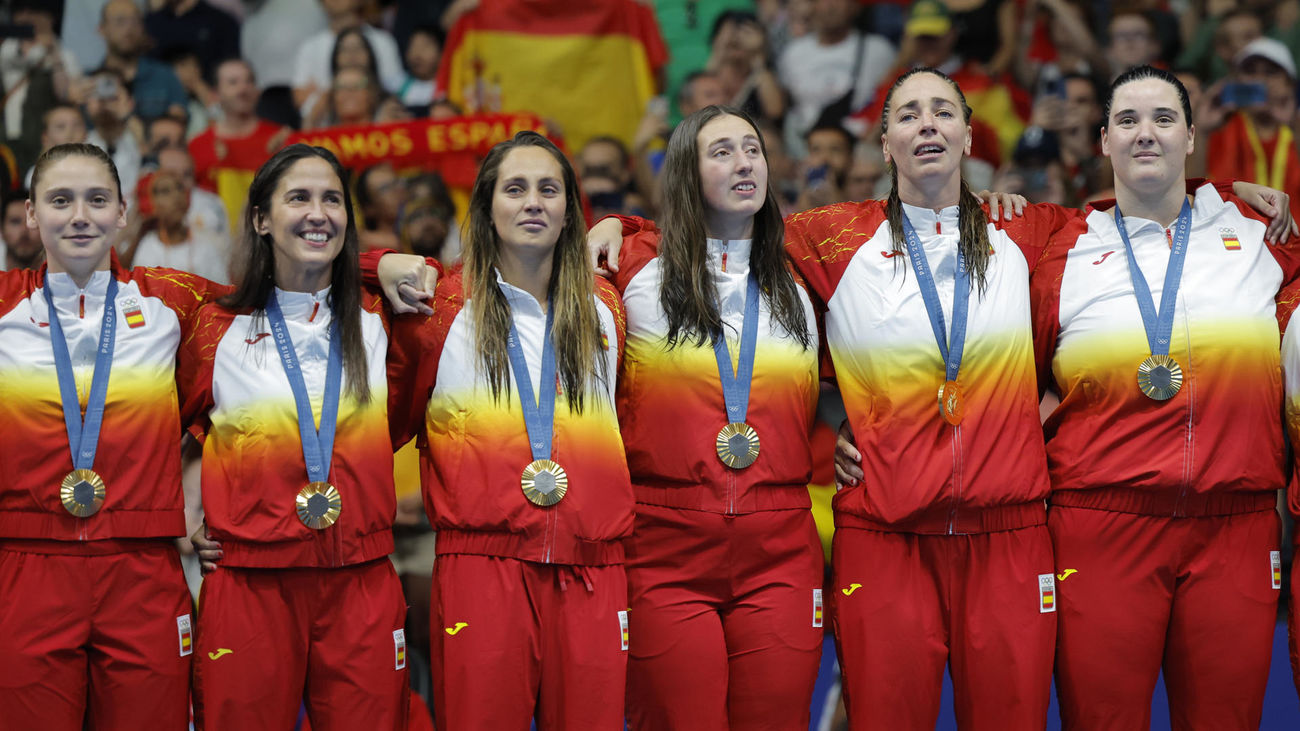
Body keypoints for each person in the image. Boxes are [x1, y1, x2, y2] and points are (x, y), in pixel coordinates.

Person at [782, 68, 1060, 729]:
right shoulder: (831, 237)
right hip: (885, 536)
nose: (927, 123)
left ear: (969, 135)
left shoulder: (1027, 231)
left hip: (1008, 536)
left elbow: (1143, 211)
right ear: (884, 145)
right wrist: (621, 229)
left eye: (943, 112)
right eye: (908, 114)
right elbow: (723, 237)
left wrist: (1221, 195)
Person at [1029, 64, 1300, 730]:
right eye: (1127, 120)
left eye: (1162, 119)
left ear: (1190, 137)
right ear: (1103, 142)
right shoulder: (1058, 252)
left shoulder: (1267, 238)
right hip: (1100, 524)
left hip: (1235, 524)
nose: (1144, 133)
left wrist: (1232, 194)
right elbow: (1003, 378)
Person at [587, 105, 824, 730]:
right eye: (721, 151)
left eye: (753, 148)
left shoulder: (809, 267)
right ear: (686, 173)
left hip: (781, 547)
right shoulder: (633, 265)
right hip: (664, 546)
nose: (744, 161)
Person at [179, 144, 419, 730]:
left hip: (360, 580)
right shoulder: (214, 327)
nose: (319, 213)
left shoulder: (386, 318)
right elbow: (157, 429)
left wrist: (378, 262)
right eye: (299, 198)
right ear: (261, 218)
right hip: (250, 582)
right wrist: (177, 522)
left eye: (332, 199)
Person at [405, 130, 633, 729]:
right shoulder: (440, 310)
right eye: (515, 188)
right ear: (485, 207)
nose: (533, 202)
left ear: (569, 211)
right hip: (483, 567)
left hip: (594, 566)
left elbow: (685, 240)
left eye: (548, 189)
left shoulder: (608, 305)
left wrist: (625, 226)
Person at [0, 142, 226, 730]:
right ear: (29, 214)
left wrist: (373, 263)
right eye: (60, 200)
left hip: (142, 566)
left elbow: (283, 294)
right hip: (26, 566)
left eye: (97, 199)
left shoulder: (170, 300)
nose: (80, 215)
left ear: (123, 213)